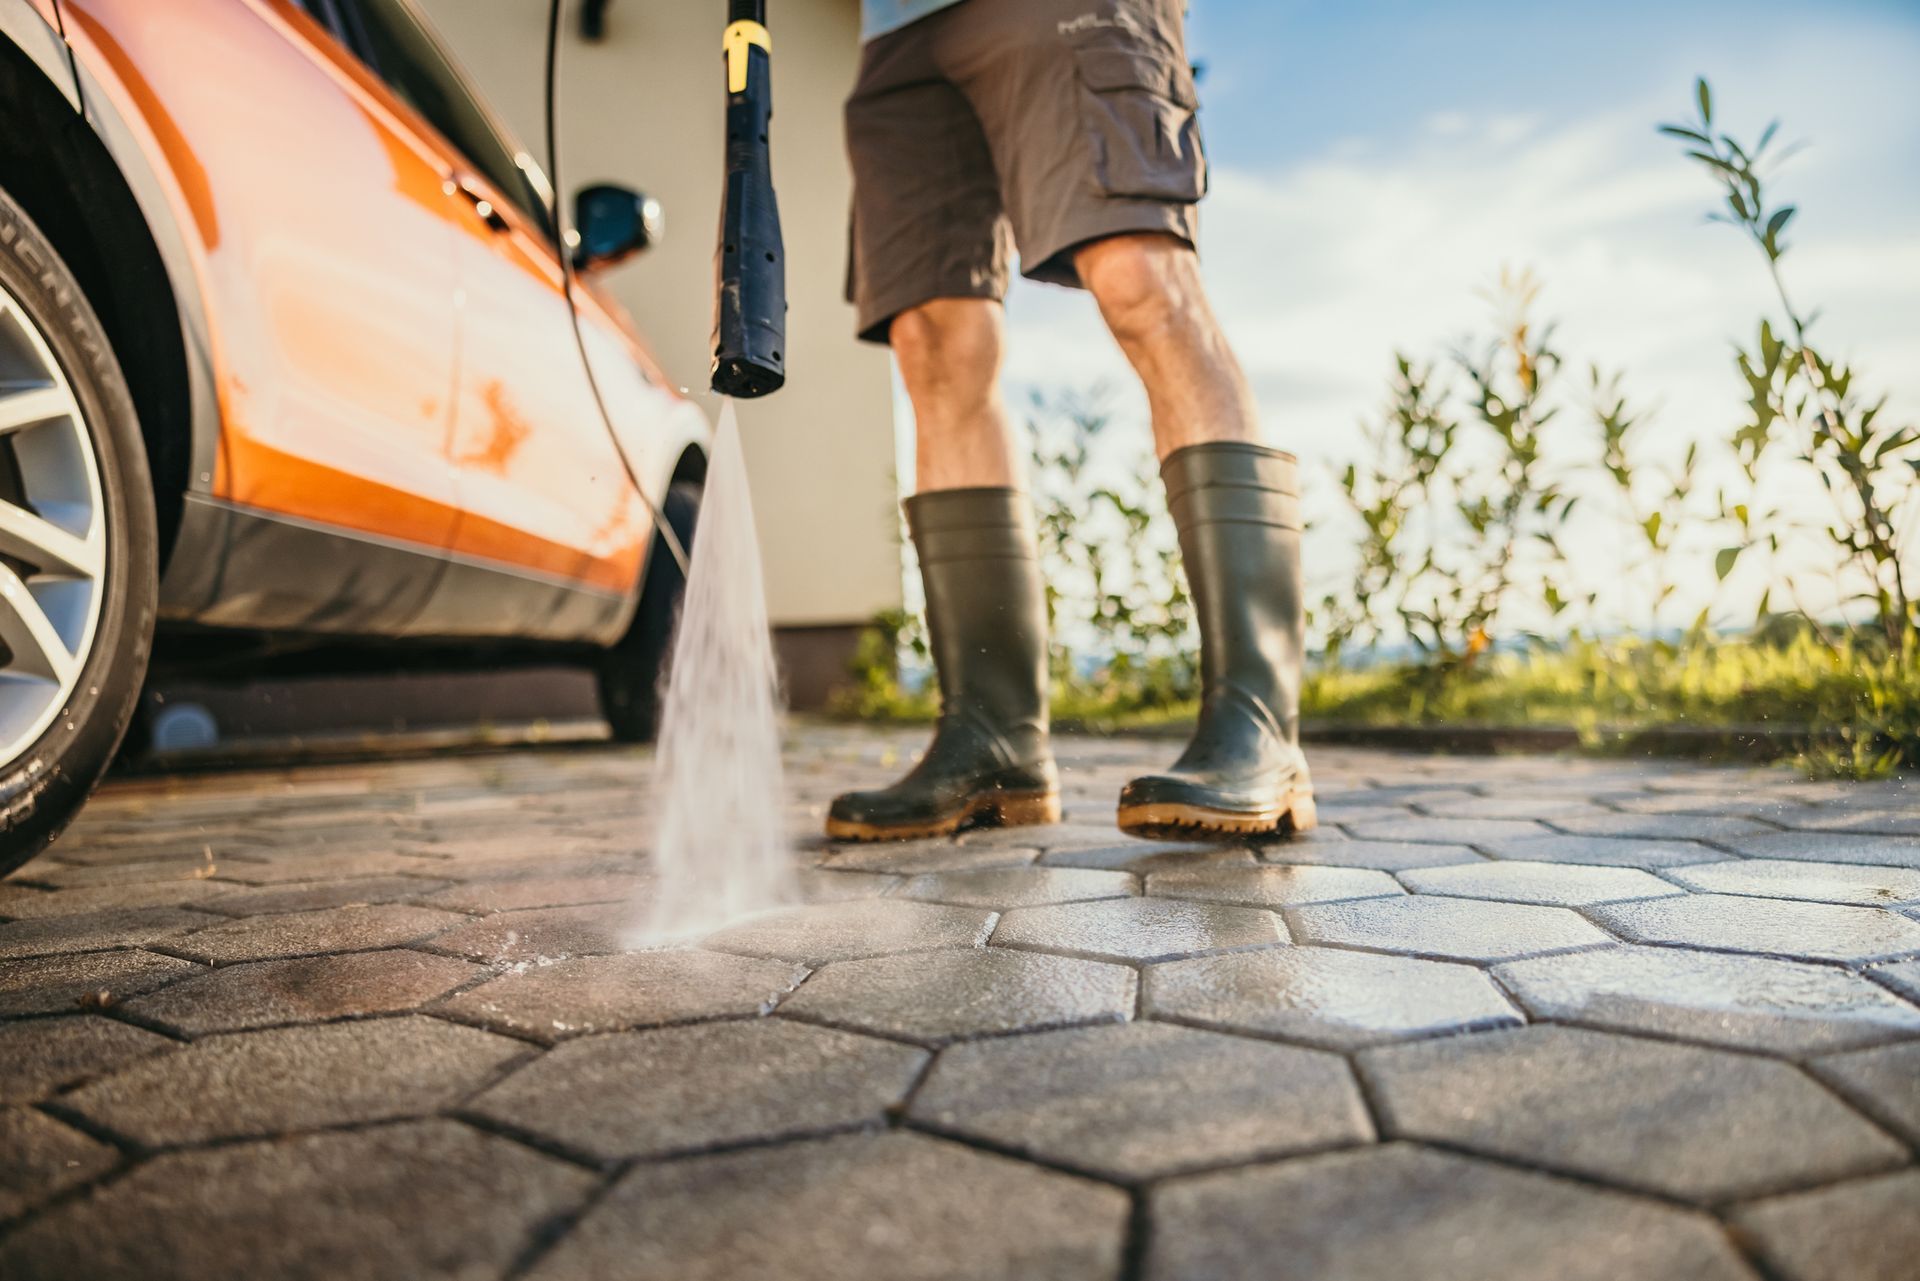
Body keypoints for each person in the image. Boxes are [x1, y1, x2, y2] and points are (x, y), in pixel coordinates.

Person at [826, 0, 1314, 843]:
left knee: (1141, 279)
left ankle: (1259, 728)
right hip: (895, 32)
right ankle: (994, 741)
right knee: (933, 343)